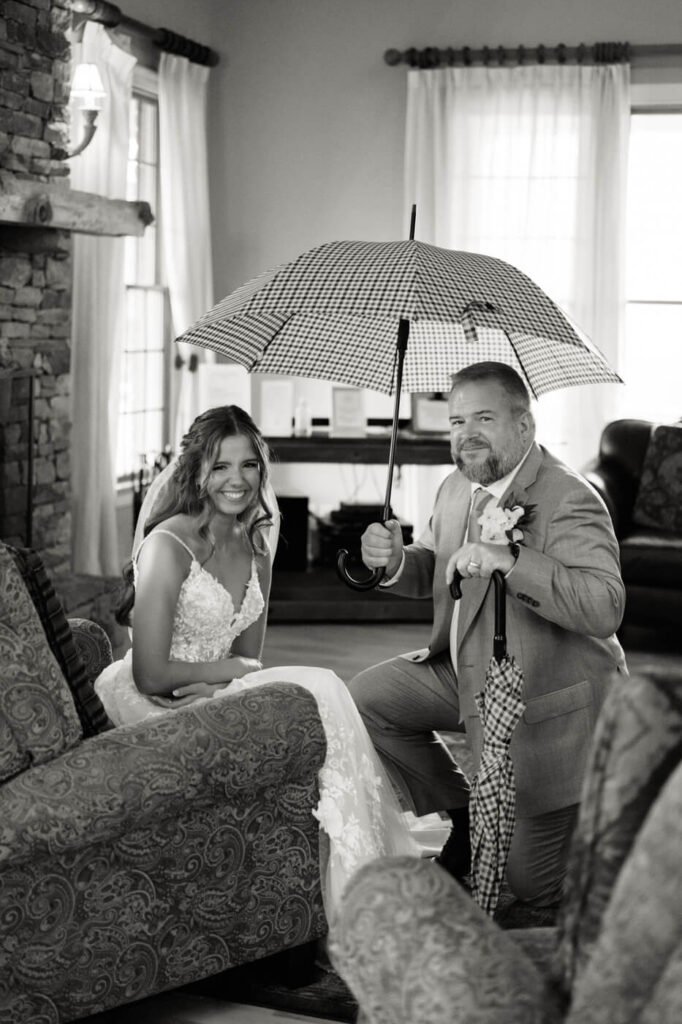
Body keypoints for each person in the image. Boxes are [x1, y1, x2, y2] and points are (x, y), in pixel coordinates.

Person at [94, 405, 418, 917]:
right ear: (196, 471)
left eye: (249, 465)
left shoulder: (257, 543)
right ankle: (359, 893)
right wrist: (230, 675)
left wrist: (226, 682)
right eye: (220, 466)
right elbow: (151, 673)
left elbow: (249, 655)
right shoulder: (168, 545)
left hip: (213, 696)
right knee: (325, 688)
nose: (237, 480)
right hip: (151, 703)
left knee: (324, 695)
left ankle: (354, 880)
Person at [348, 362, 628, 907]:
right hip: (464, 672)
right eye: (456, 421)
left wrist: (510, 559)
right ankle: (466, 810)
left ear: (525, 426)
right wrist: (394, 563)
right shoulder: (457, 487)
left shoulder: (570, 497)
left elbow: (605, 607)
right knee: (365, 699)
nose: (466, 434)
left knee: (534, 887)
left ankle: (612, 827)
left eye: (483, 417)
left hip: (546, 703)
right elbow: (441, 570)